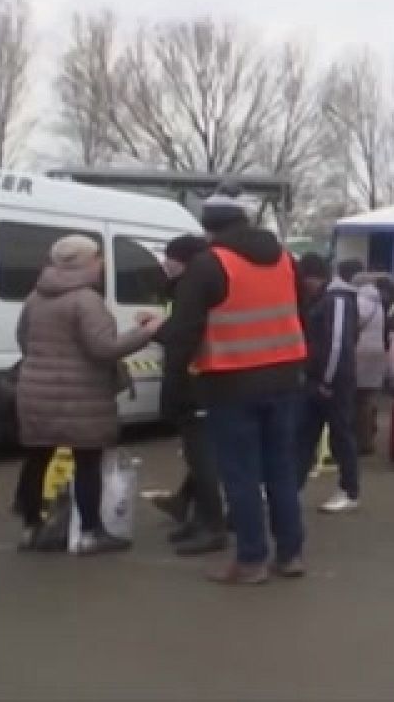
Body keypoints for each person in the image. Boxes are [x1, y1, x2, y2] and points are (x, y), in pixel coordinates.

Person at [155, 187, 308, 584]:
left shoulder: (209, 266)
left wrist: (171, 389)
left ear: (207, 227)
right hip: (285, 379)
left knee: (240, 476)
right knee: (281, 473)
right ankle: (290, 555)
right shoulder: (286, 261)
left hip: (231, 383)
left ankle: (251, 561)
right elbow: (301, 315)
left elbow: (184, 332)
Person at [13, 234, 162, 555]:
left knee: (37, 458)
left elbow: (24, 340)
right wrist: (146, 333)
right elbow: (104, 348)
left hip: (36, 391)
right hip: (82, 394)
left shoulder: (34, 298)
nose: (102, 262)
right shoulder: (86, 300)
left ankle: (30, 529)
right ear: (84, 262)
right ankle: (91, 533)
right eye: (98, 256)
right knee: (87, 461)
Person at [150, 234, 229, 556]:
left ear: (179, 260)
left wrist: (157, 329)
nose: (164, 265)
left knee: (203, 457)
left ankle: (212, 525)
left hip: (196, 379)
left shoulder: (193, 286)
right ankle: (196, 515)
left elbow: (184, 333)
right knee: (202, 455)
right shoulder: (207, 283)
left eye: (168, 258)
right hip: (208, 379)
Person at [295, 254, 361, 514]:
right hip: (319, 379)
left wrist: (327, 380)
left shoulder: (338, 300)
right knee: (304, 436)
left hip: (334, 381)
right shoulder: (325, 299)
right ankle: (291, 487)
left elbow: (338, 343)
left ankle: (349, 489)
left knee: (340, 435)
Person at [346, 262, 387, 457]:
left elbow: (352, 325)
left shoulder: (359, 302)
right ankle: (369, 436)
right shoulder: (378, 303)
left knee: (357, 398)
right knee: (368, 398)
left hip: (360, 353)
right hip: (377, 353)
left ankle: (359, 439)